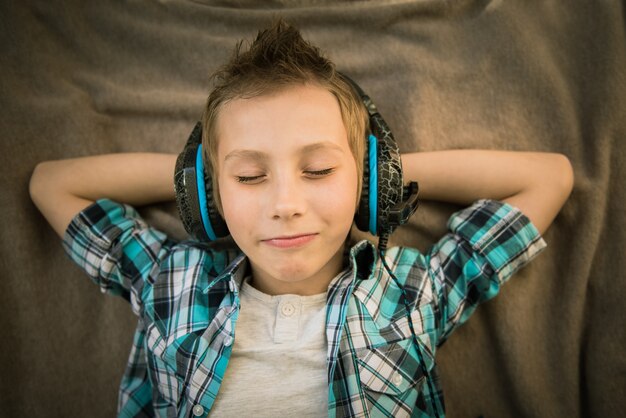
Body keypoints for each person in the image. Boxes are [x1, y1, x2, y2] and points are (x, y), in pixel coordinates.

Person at [29, 19, 573, 418]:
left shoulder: (414, 294)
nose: (285, 203)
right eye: (248, 177)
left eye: (317, 169)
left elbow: (548, 177)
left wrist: (381, 171)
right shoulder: (171, 281)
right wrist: (195, 176)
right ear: (210, 193)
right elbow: (53, 185)